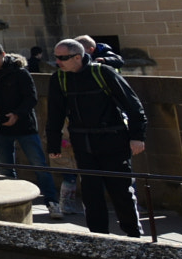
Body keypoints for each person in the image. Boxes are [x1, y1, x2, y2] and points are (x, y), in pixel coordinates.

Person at [45, 38, 147, 236]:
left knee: (122, 191)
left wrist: (137, 136)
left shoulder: (103, 72)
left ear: (77, 57)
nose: (58, 62)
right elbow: (55, 113)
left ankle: (134, 235)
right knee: (91, 194)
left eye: (62, 58)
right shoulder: (59, 78)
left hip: (113, 140)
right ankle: (98, 237)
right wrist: (54, 144)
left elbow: (133, 105)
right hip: (83, 143)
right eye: (56, 58)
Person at [0, 42, 58, 217]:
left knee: (39, 165)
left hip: (25, 127)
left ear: (3, 54)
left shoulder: (19, 72)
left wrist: (17, 114)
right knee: (6, 169)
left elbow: (31, 98)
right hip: (0, 127)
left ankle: (52, 202)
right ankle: (14, 206)